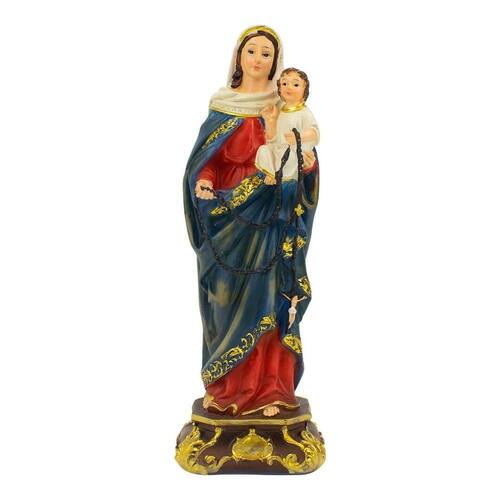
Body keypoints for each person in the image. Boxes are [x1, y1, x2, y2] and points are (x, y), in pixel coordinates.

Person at [183, 26, 320, 417]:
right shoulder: (222, 106)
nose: (258, 59)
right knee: (223, 299)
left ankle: (272, 390)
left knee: (271, 298)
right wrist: (205, 180)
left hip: (271, 215)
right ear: (238, 57)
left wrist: (307, 166)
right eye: (251, 51)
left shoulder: (285, 105)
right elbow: (205, 162)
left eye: (266, 53)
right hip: (229, 221)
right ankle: (226, 389)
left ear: (276, 63)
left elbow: (301, 157)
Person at [256, 67, 320, 185]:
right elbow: (273, 138)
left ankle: (282, 176)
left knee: (291, 157)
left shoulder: (304, 112)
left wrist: (298, 137)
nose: (289, 87)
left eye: (295, 85)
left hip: (295, 151)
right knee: (263, 150)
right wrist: (270, 121)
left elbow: (315, 133)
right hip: (278, 149)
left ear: (305, 89)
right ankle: (272, 174)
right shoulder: (279, 110)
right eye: (284, 83)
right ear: (279, 88)